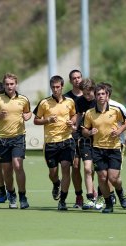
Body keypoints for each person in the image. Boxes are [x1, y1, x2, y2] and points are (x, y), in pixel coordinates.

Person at [82, 83, 126, 213]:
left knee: (113, 178)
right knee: (102, 177)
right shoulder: (90, 113)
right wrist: (89, 133)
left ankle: (120, 193)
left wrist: (119, 130)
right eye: (98, 94)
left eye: (103, 94)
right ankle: (109, 204)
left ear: (107, 95)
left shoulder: (116, 109)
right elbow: (84, 130)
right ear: (95, 96)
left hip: (114, 148)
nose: (100, 96)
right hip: (97, 148)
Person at [33, 75, 77, 211]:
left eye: (58, 87)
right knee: (53, 173)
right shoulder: (44, 103)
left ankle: (63, 201)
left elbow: (74, 115)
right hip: (51, 143)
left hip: (66, 140)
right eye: (53, 87)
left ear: (62, 87)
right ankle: (56, 183)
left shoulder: (70, 101)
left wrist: (72, 121)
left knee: (65, 168)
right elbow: (36, 120)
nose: (56, 89)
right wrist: (47, 120)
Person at [0, 73, 32, 209]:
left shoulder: (24, 99)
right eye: (7, 84)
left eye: (12, 84)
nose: (9, 86)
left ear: (16, 85)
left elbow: (29, 112)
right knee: (6, 170)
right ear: (4, 85)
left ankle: (23, 196)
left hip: (18, 137)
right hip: (2, 138)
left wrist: (27, 116)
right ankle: (11, 194)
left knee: (18, 165)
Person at [75, 78, 97, 209]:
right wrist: (75, 126)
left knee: (101, 170)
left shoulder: (100, 100)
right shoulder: (80, 101)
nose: (86, 96)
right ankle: (90, 197)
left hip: (101, 139)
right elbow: (78, 116)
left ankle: (105, 195)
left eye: (89, 93)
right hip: (85, 137)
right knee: (87, 168)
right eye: (84, 94)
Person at [64, 69, 84, 208]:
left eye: (79, 77)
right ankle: (79, 196)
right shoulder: (66, 98)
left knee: (91, 168)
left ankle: (93, 193)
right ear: (70, 81)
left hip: (90, 136)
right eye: (74, 78)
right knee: (75, 167)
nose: (77, 80)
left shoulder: (90, 95)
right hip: (73, 136)